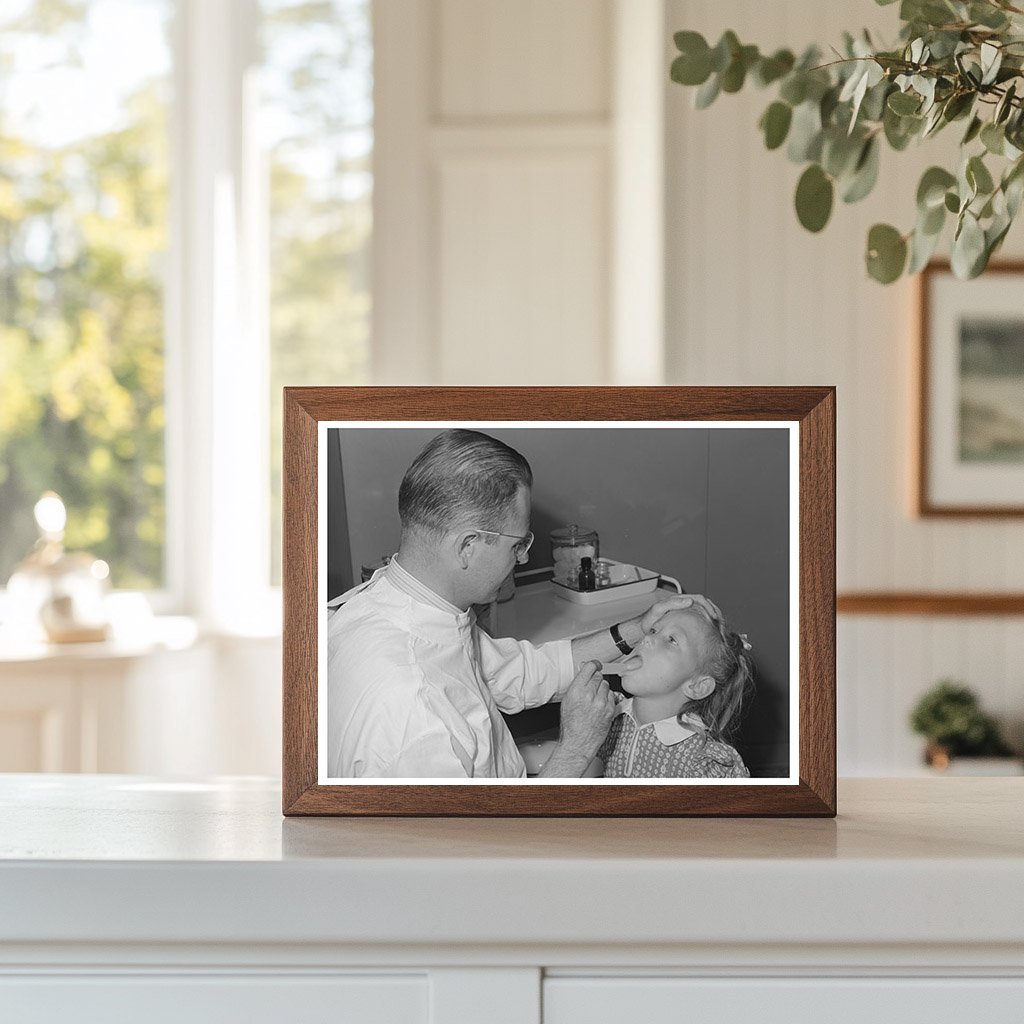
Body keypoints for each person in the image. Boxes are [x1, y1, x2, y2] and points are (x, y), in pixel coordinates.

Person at [326, 428, 707, 779]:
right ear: (467, 546)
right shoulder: (415, 715)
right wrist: (576, 750)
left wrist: (637, 627)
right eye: (517, 543)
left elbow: (520, 673)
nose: (523, 558)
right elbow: (480, 851)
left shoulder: (392, 605)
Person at [596, 602, 754, 778]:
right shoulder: (605, 713)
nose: (646, 639)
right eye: (653, 631)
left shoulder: (701, 763)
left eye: (672, 640)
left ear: (696, 686)